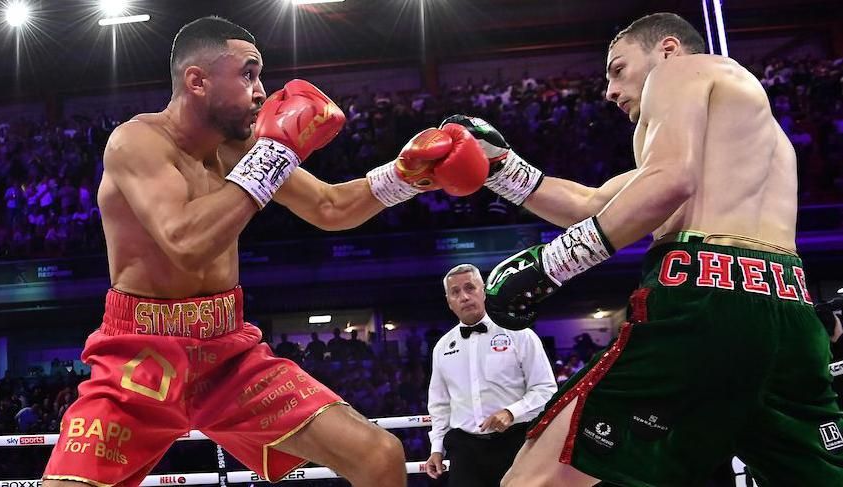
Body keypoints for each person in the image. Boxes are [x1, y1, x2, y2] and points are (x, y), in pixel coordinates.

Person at [42, 16, 488, 487]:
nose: (262, 92)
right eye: (249, 74)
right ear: (197, 81)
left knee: (379, 454)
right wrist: (273, 157)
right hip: (140, 355)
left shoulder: (244, 150)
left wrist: (405, 176)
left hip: (228, 352)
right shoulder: (138, 142)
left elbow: (330, 206)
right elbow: (185, 243)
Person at [449, 12, 843, 487]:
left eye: (617, 69)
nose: (609, 91)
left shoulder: (685, 71)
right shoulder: (744, 135)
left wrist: (553, 263)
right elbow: (592, 203)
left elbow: (669, 182)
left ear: (669, 50)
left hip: (704, 302)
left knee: (532, 481)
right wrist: (501, 168)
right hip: (790, 313)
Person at [424, 264, 557, 487]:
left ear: (483, 291)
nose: (464, 297)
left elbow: (546, 389)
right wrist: (437, 447)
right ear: (449, 302)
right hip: (465, 451)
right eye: (455, 292)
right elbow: (440, 404)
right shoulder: (442, 347)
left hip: (516, 442)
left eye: (470, 288)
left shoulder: (519, 333)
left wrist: (511, 412)